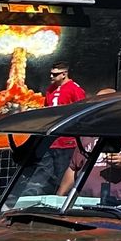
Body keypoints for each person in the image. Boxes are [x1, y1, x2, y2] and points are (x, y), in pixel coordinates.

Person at [34, 63, 86, 193]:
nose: (51, 76)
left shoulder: (75, 89)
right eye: (51, 73)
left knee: (63, 175)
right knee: (45, 175)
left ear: (64, 74)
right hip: (51, 140)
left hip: (67, 142)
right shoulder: (50, 89)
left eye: (55, 74)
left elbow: (82, 113)